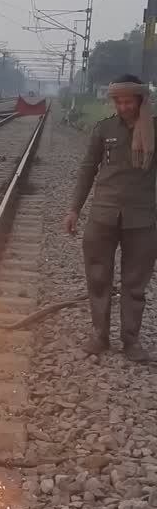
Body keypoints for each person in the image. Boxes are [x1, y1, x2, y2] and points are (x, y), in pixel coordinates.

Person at [65, 74, 157, 361]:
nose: (124, 106)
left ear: (140, 100)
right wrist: (74, 209)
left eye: (129, 101)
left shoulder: (154, 130)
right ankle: (99, 335)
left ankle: (131, 341)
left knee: (135, 283)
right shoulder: (104, 129)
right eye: (119, 101)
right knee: (98, 277)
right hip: (102, 215)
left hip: (142, 219)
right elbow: (87, 169)